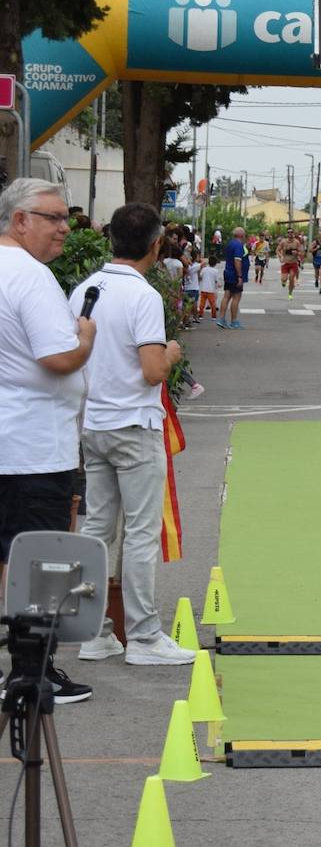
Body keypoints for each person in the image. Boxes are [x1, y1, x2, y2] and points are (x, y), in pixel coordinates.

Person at [70, 202, 196, 667]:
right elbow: (152, 370)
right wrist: (173, 352)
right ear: (156, 244)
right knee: (141, 533)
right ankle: (143, 636)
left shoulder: (85, 289)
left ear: (110, 239)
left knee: (97, 530)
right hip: (134, 425)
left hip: (94, 424)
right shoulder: (142, 296)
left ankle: (96, 632)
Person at [0, 178, 97, 703]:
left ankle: (20, 666)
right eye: (53, 218)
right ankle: (33, 675)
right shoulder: (30, 277)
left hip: (11, 441)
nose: (65, 228)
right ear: (20, 220)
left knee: (11, 562)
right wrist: (84, 340)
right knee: (40, 566)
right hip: (33, 449)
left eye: (65, 217)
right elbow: (58, 359)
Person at [217, 226, 249, 329]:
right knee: (236, 297)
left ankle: (221, 319)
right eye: (244, 235)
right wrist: (240, 276)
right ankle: (234, 321)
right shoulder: (238, 245)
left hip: (228, 272)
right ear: (241, 235)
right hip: (235, 275)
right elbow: (237, 260)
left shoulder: (230, 244)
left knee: (227, 296)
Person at [278, 228, 304, 299]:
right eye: (289, 232)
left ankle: (290, 293)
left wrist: (297, 253)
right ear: (287, 234)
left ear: (293, 233)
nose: (290, 233)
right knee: (284, 279)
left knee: (291, 278)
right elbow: (277, 250)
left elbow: (301, 252)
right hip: (285, 262)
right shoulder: (283, 242)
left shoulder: (297, 242)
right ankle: (283, 282)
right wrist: (281, 256)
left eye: (292, 232)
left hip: (293, 263)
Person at [198, 256, 221, 321]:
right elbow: (216, 280)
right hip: (211, 289)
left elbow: (200, 276)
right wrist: (218, 285)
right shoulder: (215, 271)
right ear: (215, 264)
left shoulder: (204, 269)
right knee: (212, 303)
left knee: (202, 303)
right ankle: (213, 316)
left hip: (203, 288)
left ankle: (200, 315)